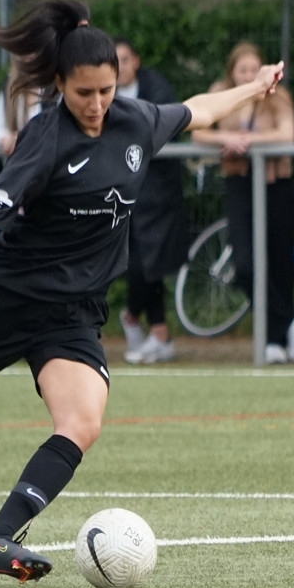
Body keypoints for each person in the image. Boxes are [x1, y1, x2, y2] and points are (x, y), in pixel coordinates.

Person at [0, 0, 283, 583]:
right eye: (83, 93)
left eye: (105, 91)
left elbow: (198, 108)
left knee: (82, 421)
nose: (96, 105)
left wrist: (255, 87)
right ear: (60, 85)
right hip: (11, 296)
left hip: (73, 311)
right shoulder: (45, 138)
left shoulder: (136, 121)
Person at [190, 41, 294, 364]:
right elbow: (198, 132)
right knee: (244, 263)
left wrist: (249, 141)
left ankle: (276, 338)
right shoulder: (220, 94)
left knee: (279, 261)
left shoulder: (278, 97)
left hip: (276, 183)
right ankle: (285, 320)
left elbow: (287, 134)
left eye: (253, 69)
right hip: (240, 182)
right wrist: (225, 139)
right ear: (232, 72)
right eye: (242, 70)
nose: (248, 75)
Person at [112, 37, 189, 364]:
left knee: (150, 264)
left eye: (124, 59)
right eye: (114, 61)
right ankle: (158, 332)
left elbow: (156, 128)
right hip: (120, 192)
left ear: (136, 61)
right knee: (136, 264)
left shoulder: (156, 88)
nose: (120, 67)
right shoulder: (100, 92)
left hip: (158, 193)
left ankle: (136, 319)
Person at [0, 59, 50, 158]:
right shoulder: (8, 85)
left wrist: (22, 139)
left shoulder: (53, 87)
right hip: (18, 160)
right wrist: (8, 140)